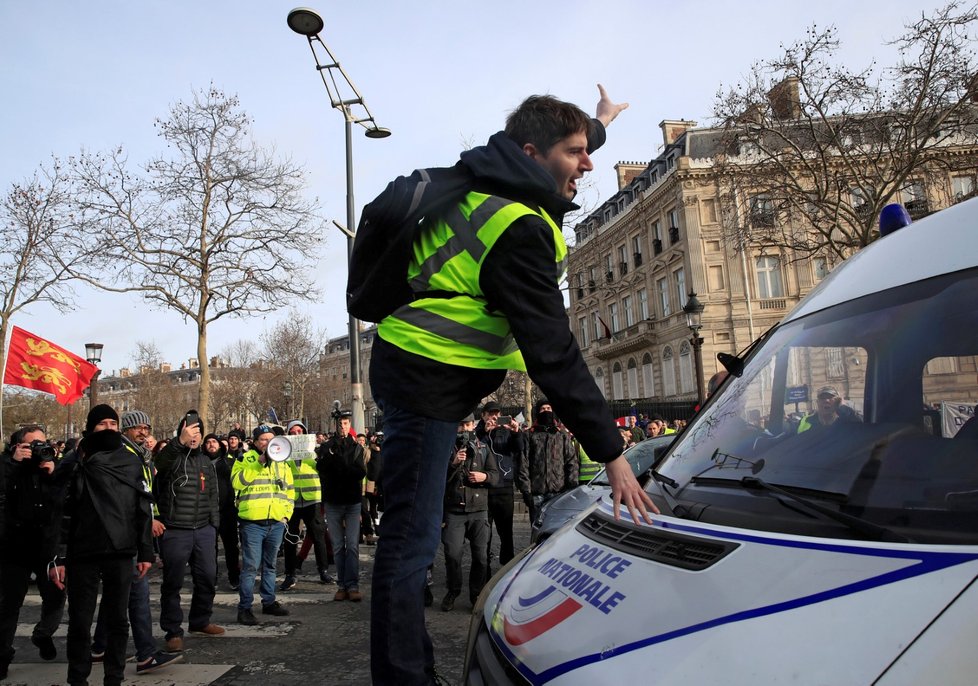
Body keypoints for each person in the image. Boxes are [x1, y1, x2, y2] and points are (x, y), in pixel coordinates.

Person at [367, 86, 656, 685]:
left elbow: (550, 146)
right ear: (532, 154)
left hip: (415, 369)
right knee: (410, 544)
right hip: (427, 379)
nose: (589, 163)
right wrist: (613, 452)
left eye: (589, 149)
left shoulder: (489, 183)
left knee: (408, 539)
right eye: (577, 152)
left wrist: (598, 123)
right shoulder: (519, 228)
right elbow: (553, 355)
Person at [49, 404, 154, 686]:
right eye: (102, 423)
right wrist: (58, 558)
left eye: (113, 423)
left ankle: (114, 678)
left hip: (120, 549)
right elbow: (60, 512)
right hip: (82, 550)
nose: (108, 428)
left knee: (119, 620)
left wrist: (146, 551)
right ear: (90, 427)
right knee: (80, 621)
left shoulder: (131, 460)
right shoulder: (74, 460)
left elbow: (141, 508)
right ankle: (78, 678)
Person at [91, 410, 182, 674]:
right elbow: (132, 498)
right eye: (138, 428)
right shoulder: (126, 455)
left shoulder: (138, 454)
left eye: (146, 427)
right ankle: (146, 654)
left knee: (118, 595)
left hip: (129, 534)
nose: (144, 432)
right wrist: (148, 521)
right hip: (127, 535)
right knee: (137, 596)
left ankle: (100, 647)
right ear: (126, 431)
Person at [154, 415, 224, 652]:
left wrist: (214, 525)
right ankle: (172, 631)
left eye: (198, 432)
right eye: (189, 431)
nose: (194, 436)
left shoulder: (206, 461)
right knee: (172, 583)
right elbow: (160, 464)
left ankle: (200, 620)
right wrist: (178, 442)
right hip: (176, 529)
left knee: (207, 577)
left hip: (204, 529)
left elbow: (213, 496)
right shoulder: (173, 458)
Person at [0, 425, 65, 680]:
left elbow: (63, 508)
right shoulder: (7, 467)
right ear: (17, 447)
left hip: (46, 546)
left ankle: (43, 633)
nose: (39, 449)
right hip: (14, 546)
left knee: (56, 596)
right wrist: (14, 465)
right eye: (31, 445)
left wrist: (53, 475)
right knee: (9, 604)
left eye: (42, 443)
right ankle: (3, 655)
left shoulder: (51, 467)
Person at [232, 426, 293, 625]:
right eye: (263, 439)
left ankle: (269, 601)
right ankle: (245, 608)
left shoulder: (282, 461)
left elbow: (289, 491)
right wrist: (258, 465)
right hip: (252, 523)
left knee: (271, 565)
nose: (267, 443)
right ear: (256, 442)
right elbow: (237, 483)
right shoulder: (245, 459)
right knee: (250, 567)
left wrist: (285, 515)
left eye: (271, 439)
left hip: (275, 522)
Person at [441, 413, 498, 612]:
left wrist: (485, 476)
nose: (465, 429)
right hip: (454, 510)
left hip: (479, 510)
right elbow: (438, 479)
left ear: (474, 425)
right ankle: (453, 591)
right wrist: (454, 463)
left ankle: (476, 594)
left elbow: (496, 476)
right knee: (452, 554)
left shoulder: (483, 448)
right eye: (461, 425)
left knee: (481, 557)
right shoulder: (447, 448)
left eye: (468, 425)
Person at [317, 411, 367, 602]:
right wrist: (336, 462)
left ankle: (352, 584)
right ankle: (342, 585)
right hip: (334, 501)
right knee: (338, 546)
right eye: (340, 424)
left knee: (353, 546)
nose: (343, 427)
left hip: (352, 501)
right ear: (336, 426)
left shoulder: (356, 447)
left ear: (349, 425)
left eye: (346, 423)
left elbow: (359, 471)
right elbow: (322, 469)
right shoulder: (328, 447)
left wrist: (339, 467)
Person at [280, 420, 331, 590]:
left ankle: (323, 571)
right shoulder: (284, 454)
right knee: (290, 538)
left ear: (304, 433)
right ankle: (290, 573)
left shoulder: (314, 452)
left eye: (299, 432)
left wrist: (318, 454)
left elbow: (323, 469)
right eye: (293, 433)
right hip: (291, 501)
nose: (296, 435)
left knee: (318, 536)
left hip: (312, 499)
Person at [476, 401, 522, 574]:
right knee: (483, 535)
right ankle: (484, 569)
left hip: (504, 486)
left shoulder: (506, 430)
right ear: (483, 415)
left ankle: (507, 567)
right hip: (484, 487)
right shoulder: (478, 432)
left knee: (506, 532)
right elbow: (474, 451)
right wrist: (484, 433)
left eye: (497, 413)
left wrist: (517, 432)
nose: (494, 417)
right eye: (491, 414)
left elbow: (519, 449)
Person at [518, 399, 578, 524]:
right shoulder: (529, 435)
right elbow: (523, 464)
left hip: (558, 492)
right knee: (537, 528)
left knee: (557, 528)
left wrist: (571, 485)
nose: (546, 411)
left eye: (548, 409)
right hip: (536, 493)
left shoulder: (561, 435)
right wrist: (526, 491)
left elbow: (571, 461)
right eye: (543, 409)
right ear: (538, 412)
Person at [202, 432, 241, 590]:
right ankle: (212, 578)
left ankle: (234, 577)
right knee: (210, 549)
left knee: (231, 547)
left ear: (220, 445)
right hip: (206, 512)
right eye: (208, 442)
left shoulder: (228, 463)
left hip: (227, 511)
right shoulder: (201, 463)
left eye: (214, 442)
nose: (211, 444)